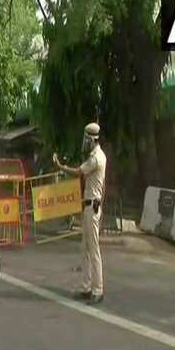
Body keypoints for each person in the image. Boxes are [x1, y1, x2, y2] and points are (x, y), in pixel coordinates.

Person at [53, 122, 107, 305]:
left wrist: (60, 166)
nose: (85, 142)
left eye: (86, 139)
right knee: (85, 249)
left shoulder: (96, 158)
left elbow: (78, 172)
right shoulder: (96, 156)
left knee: (93, 250)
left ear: (92, 139)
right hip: (89, 206)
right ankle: (87, 287)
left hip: (92, 207)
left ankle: (98, 290)